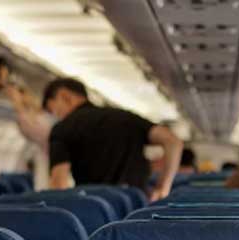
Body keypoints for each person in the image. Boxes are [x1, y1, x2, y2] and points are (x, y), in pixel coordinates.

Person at [42, 78, 183, 201]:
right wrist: (163, 188)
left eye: (53, 110)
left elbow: (59, 185)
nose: (56, 115)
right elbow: (173, 142)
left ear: (65, 96)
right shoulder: (125, 118)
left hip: (95, 209)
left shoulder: (63, 129)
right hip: (136, 205)